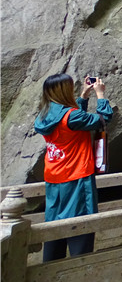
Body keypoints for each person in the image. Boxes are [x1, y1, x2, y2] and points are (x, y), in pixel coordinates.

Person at [34, 73, 113, 261]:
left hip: (54, 178)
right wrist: (100, 95)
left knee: (54, 227)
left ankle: (51, 269)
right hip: (77, 176)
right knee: (81, 227)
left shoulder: (45, 115)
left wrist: (84, 97)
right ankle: (79, 269)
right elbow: (103, 119)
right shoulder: (72, 116)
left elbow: (72, 120)